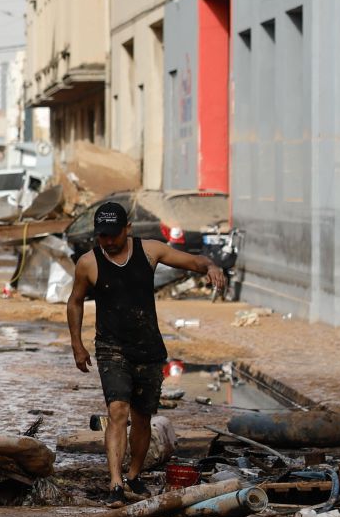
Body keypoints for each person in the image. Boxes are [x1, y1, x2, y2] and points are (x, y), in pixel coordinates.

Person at [67, 199, 228, 501]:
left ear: (127, 229)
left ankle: (133, 475)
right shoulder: (88, 263)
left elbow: (194, 261)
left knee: (142, 418)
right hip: (111, 347)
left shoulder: (150, 251)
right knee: (117, 411)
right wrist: (77, 344)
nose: (109, 241)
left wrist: (212, 266)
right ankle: (115, 483)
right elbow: (75, 301)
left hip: (149, 348)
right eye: (103, 235)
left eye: (114, 234)